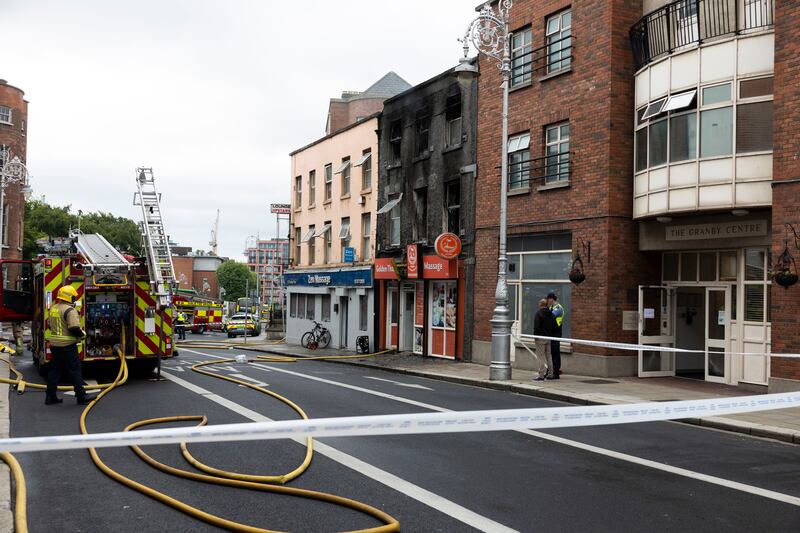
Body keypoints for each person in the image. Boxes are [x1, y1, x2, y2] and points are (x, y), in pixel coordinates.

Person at [45, 285, 95, 405]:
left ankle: (50, 396)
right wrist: (83, 335)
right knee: (75, 370)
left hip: (55, 345)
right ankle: (81, 396)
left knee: (55, 371)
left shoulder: (53, 308)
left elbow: (49, 325)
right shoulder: (70, 310)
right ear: (70, 297)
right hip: (67, 346)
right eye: (73, 297)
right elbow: (73, 327)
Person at [533, 298, 556, 381]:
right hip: (548, 338)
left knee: (540, 356)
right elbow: (554, 325)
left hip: (540, 337)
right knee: (549, 356)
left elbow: (536, 327)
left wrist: (535, 337)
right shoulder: (551, 314)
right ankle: (550, 374)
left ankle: (541, 375)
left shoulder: (538, 313)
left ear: (540, 304)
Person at [547, 291, 565, 379]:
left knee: (555, 353)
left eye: (548, 299)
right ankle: (551, 370)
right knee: (551, 353)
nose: (548, 301)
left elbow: (550, 316)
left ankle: (556, 372)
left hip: (556, 333)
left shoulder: (558, 308)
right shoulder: (551, 307)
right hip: (551, 333)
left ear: (551, 299)